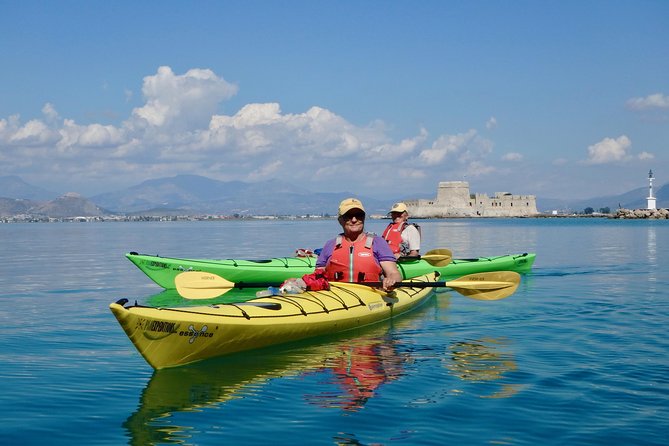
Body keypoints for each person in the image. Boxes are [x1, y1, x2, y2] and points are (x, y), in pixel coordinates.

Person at [279, 198, 402, 293]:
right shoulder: (330, 245)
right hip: (336, 295)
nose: (354, 220)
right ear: (340, 220)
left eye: (358, 215)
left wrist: (391, 280)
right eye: (348, 216)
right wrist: (298, 282)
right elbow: (318, 275)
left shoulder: (378, 242)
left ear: (364, 218)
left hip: (370, 294)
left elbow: (393, 273)